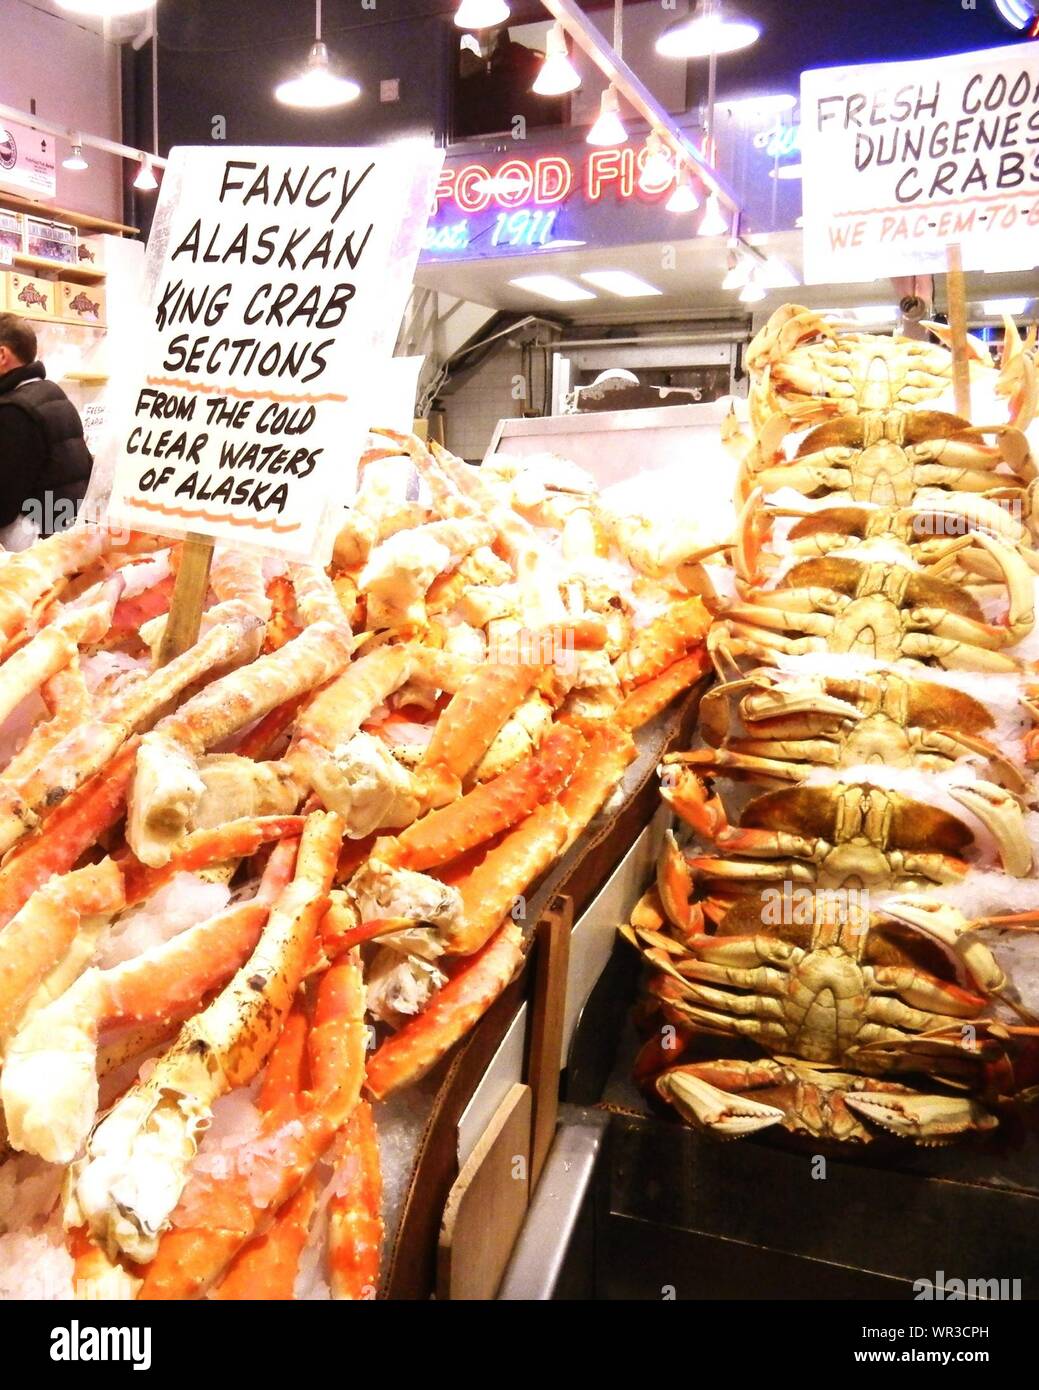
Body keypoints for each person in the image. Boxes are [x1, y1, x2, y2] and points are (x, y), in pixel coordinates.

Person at [0, 312, 93, 539]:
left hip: (29, 545)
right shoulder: (52, 392)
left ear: (2, 355)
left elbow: (3, 504)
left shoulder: (15, 409)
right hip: (63, 535)